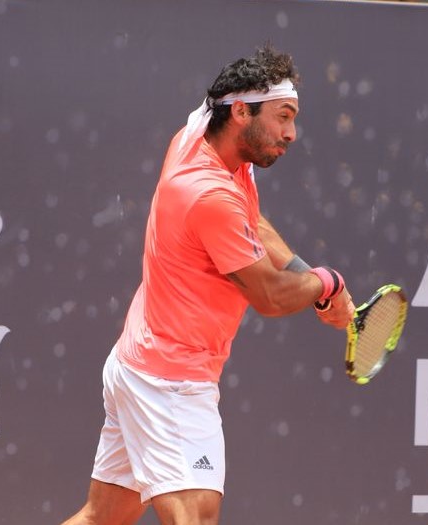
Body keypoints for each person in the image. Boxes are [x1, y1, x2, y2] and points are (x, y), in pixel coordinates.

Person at [62, 45, 357, 525]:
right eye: (283, 117)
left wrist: (308, 274)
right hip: (169, 384)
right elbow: (268, 296)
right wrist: (327, 282)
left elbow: (252, 223)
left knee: (102, 518)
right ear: (241, 111)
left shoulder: (202, 138)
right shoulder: (207, 193)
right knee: (195, 518)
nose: (291, 133)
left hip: (139, 362)